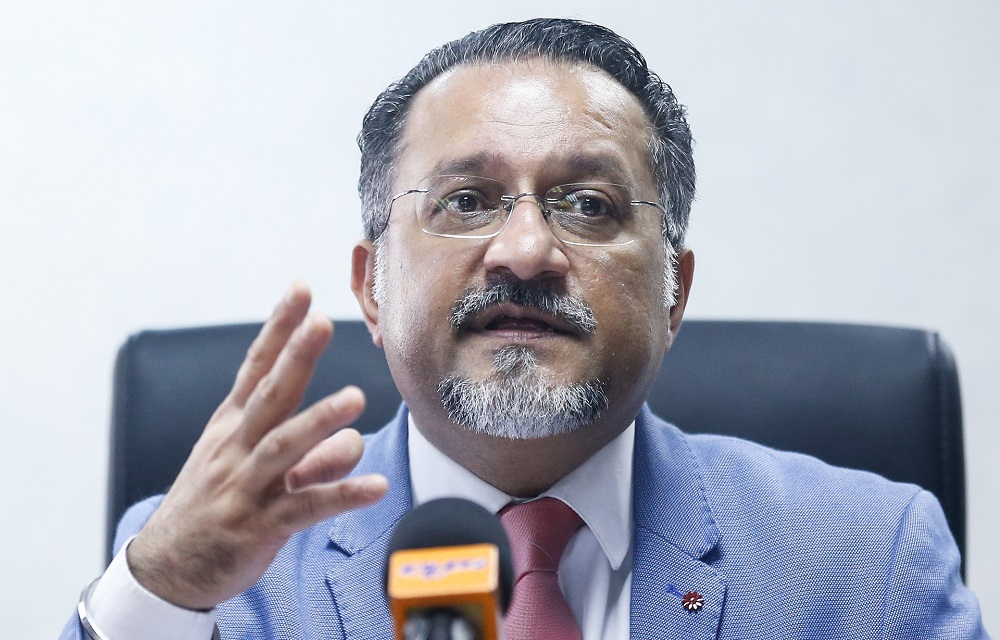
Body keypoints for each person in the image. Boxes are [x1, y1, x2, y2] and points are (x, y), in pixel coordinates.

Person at [62, 18, 988, 640]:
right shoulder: (222, 575)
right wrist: (159, 593)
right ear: (372, 289)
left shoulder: (870, 562)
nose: (525, 250)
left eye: (588, 205)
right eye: (466, 200)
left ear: (674, 295)